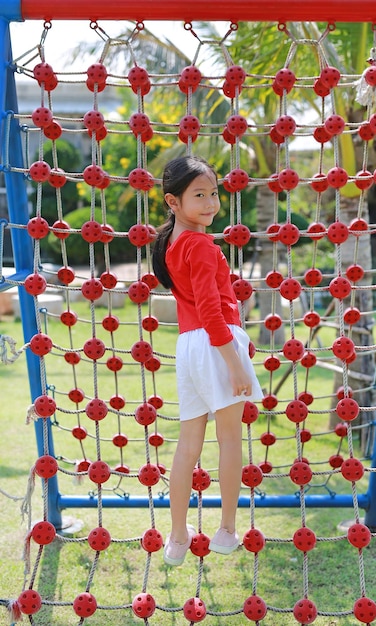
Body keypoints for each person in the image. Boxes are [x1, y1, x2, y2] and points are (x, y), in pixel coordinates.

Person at [152, 155, 263, 566]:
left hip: (189, 348)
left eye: (214, 193)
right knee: (230, 439)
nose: (211, 203)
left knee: (188, 445)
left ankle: (178, 535)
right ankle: (227, 530)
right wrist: (234, 362)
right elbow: (212, 309)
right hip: (217, 345)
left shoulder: (175, 242)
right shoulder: (199, 244)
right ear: (173, 201)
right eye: (199, 195)